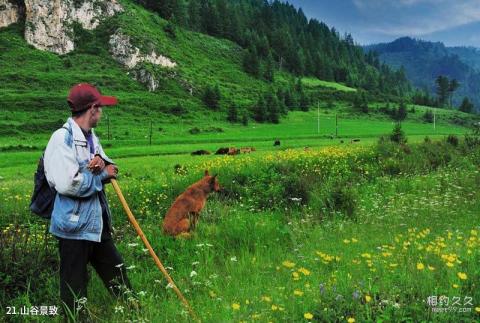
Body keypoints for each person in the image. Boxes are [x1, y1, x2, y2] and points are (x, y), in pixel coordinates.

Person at [43, 83, 134, 318]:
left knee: (117, 273)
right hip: (73, 228)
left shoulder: (91, 137)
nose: (102, 112)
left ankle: (135, 314)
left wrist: (106, 165)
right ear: (92, 109)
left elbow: (106, 162)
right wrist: (102, 175)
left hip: (95, 223)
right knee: (74, 287)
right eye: (100, 108)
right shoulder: (62, 139)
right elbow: (68, 184)